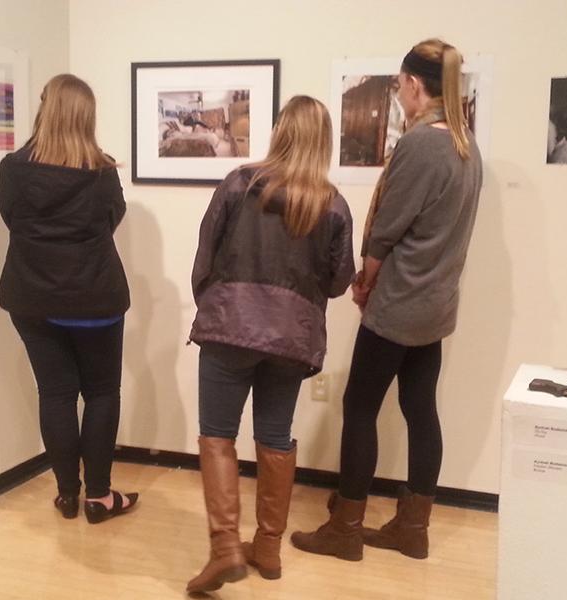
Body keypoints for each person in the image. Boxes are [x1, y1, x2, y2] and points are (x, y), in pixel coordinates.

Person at [291, 39, 483, 562]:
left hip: (399, 303)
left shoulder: (423, 145)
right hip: (436, 305)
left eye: (399, 86)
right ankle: (412, 528)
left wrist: (364, 281)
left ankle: (346, 528)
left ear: (415, 85)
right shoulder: (468, 147)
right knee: (421, 410)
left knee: (359, 407)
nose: (398, 96)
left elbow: (386, 233)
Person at [186, 95, 354, 593]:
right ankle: (268, 548)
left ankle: (225, 549)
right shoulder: (332, 204)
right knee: (275, 436)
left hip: (229, 326)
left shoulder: (240, 182)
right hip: (291, 337)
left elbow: (205, 253)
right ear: (324, 141)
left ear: (280, 131)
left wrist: (213, 303)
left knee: (218, 434)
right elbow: (339, 280)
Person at [0, 74, 138, 524]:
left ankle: (66, 496)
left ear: (45, 109)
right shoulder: (102, 172)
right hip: (95, 300)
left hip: (33, 299)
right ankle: (99, 497)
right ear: (86, 117)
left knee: (55, 394)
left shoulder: (13, 169)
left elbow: (11, 218)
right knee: (100, 393)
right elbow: (112, 220)